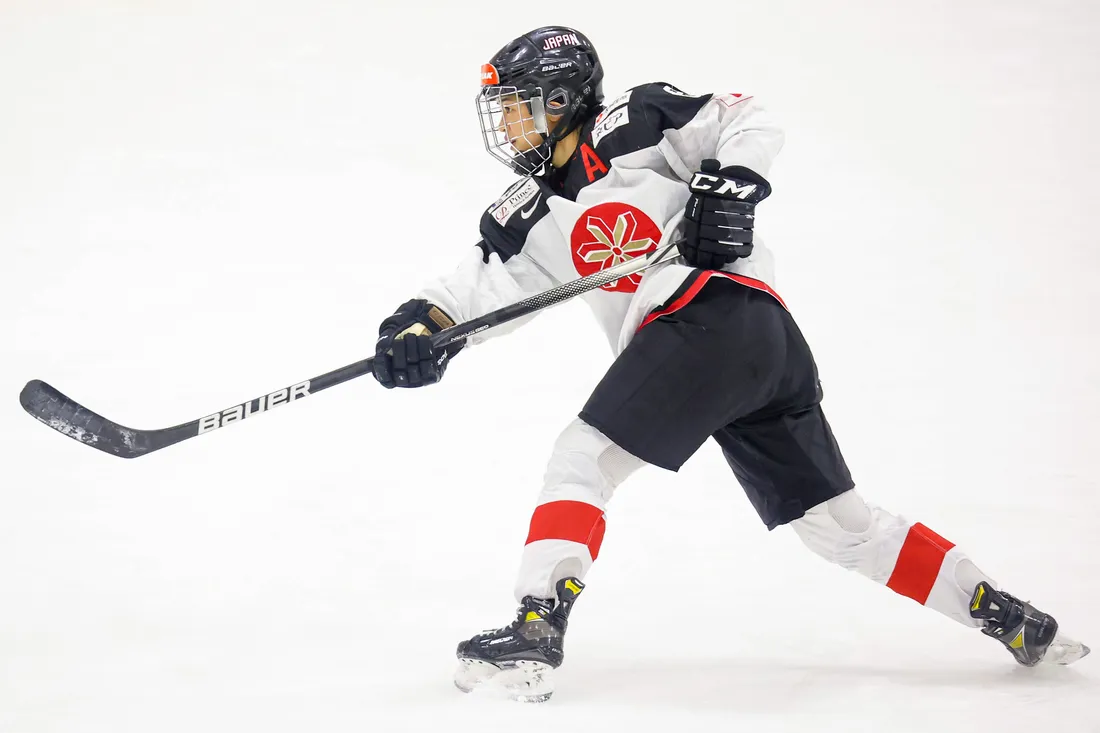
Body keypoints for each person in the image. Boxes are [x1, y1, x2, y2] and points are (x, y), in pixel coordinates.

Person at [370, 26, 1088, 701]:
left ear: (562, 101)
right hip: (757, 348)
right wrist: (421, 329)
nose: (511, 129)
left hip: (712, 317)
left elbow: (747, 116)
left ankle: (533, 635)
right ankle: (1008, 615)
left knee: (579, 461)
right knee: (843, 527)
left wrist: (735, 183)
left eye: (520, 110)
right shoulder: (528, 213)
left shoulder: (637, 122)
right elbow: (474, 284)